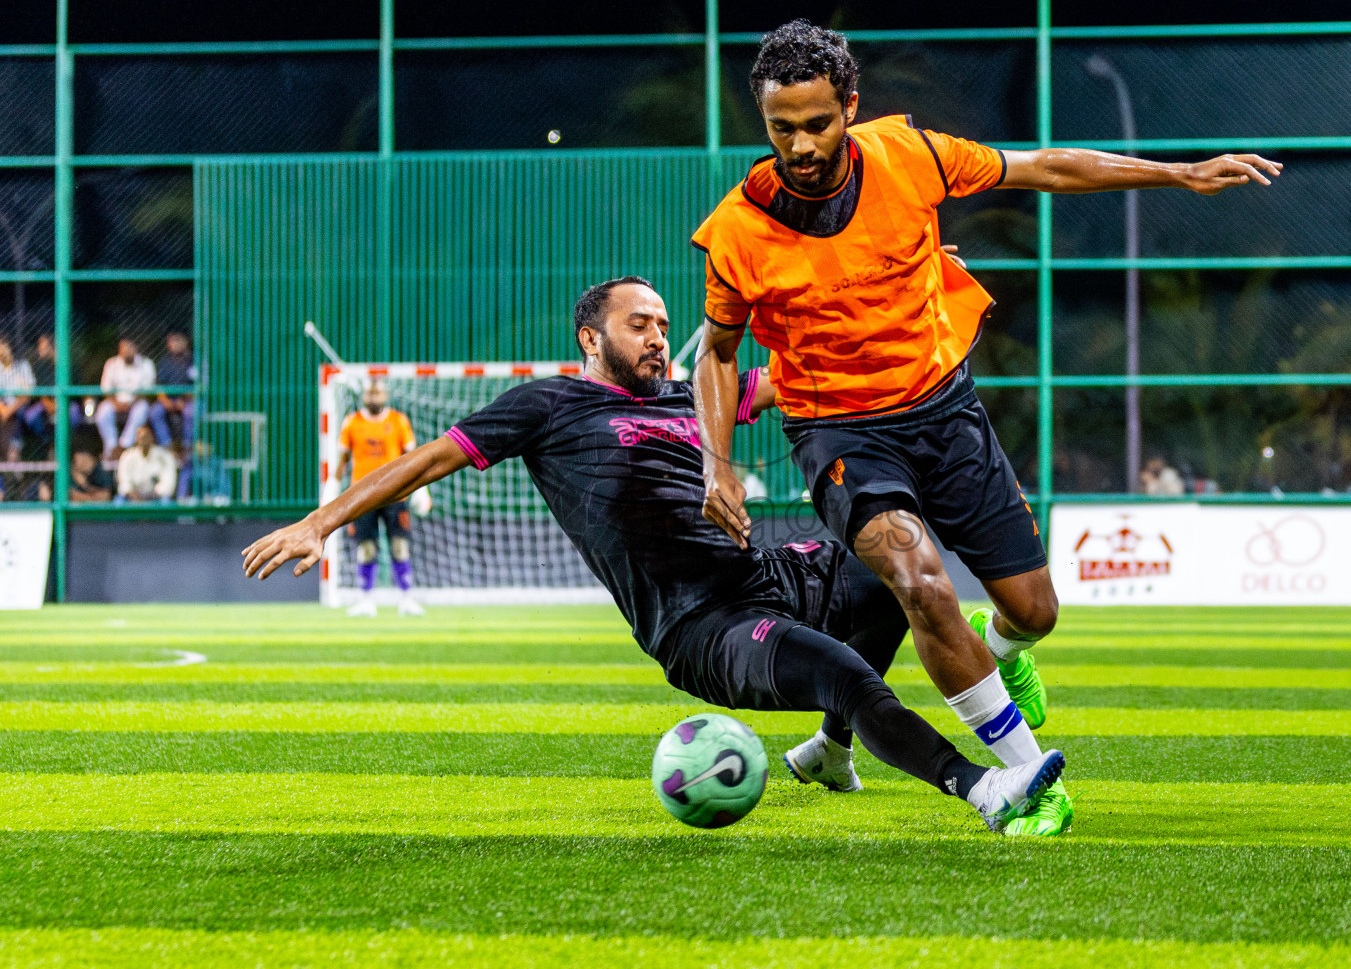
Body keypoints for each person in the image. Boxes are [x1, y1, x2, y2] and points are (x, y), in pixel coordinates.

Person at [691, 21, 1282, 835]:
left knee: (1034, 612)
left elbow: (1043, 166)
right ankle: (1019, 776)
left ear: (850, 107)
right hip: (839, 432)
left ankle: (978, 656)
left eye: (817, 123)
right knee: (916, 575)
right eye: (780, 128)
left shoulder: (912, 157)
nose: (799, 144)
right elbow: (718, 355)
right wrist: (716, 462)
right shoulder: (738, 230)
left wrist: (1179, 175)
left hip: (945, 411)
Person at [242, 277, 1065, 835]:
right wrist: (322, 522)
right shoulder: (547, 406)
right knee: (850, 676)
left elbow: (806, 373)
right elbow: (422, 461)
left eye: (666, 325)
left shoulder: (688, 396)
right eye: (640, 324)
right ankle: (984, 788)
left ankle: (831, 749)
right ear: (589, 336)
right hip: (702, 624)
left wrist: (908, 300)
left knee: (890, 561)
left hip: (767, 575)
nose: (659, 337)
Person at [335, 381, 423, 617]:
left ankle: (406, 598)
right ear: (364, 396)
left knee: (399, 546)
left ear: (385, 395)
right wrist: (330, 492)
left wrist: (422, 489)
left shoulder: (398, 421)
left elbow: (413, 457)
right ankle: (365, 600)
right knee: (366, 548)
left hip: (395, 494)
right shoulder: (352, 422)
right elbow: (341, 461)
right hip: (362, 497)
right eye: (370, 393)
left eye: (378, 392)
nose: (374, 397)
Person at [96, 337, 156, 458]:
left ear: (136, 348)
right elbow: (106, 388)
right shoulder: (112, 363)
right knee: (102, 412)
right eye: (122, 348)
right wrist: (116, 403)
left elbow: (148, 390)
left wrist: (130, 403)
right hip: (115, 403)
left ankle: (123, 446)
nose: (125, 351)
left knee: (142, 409)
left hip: (136, 402)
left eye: (129, 348)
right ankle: (111, 448)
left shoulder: (146, 364)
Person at [151, 331, 197, 452]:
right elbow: (159, 387)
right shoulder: (164, 362)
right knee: (155, 413)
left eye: (177, 340)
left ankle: (187, 447)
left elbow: (200, 387)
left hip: (190, 400)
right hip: (168, 400)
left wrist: (184, 399)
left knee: (190, 412)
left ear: (186, 341)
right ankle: (167, 446)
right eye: (171, 341)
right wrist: (166, 401)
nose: (174, 343)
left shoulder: (195, 360)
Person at [115, 425, 177, 503]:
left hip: (156, 496)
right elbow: (124, 481)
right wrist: (132, 493)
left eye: (146, 435)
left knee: (166, 501)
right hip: (133, 495)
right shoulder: (127, 456)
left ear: (152, 437)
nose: (142, 438)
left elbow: (168, 483)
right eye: (139, 435)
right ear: (136, 438)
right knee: (119, 501)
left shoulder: (164, 456)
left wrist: (155, 494)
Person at [0, 337, 35, 463]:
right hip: (4, 409)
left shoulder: (22, 365)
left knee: (15, 416)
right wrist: (4, 410)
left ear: (8, 347)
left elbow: (28, 394)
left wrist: (10, 410)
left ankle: (13, 452)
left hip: (19, 408)